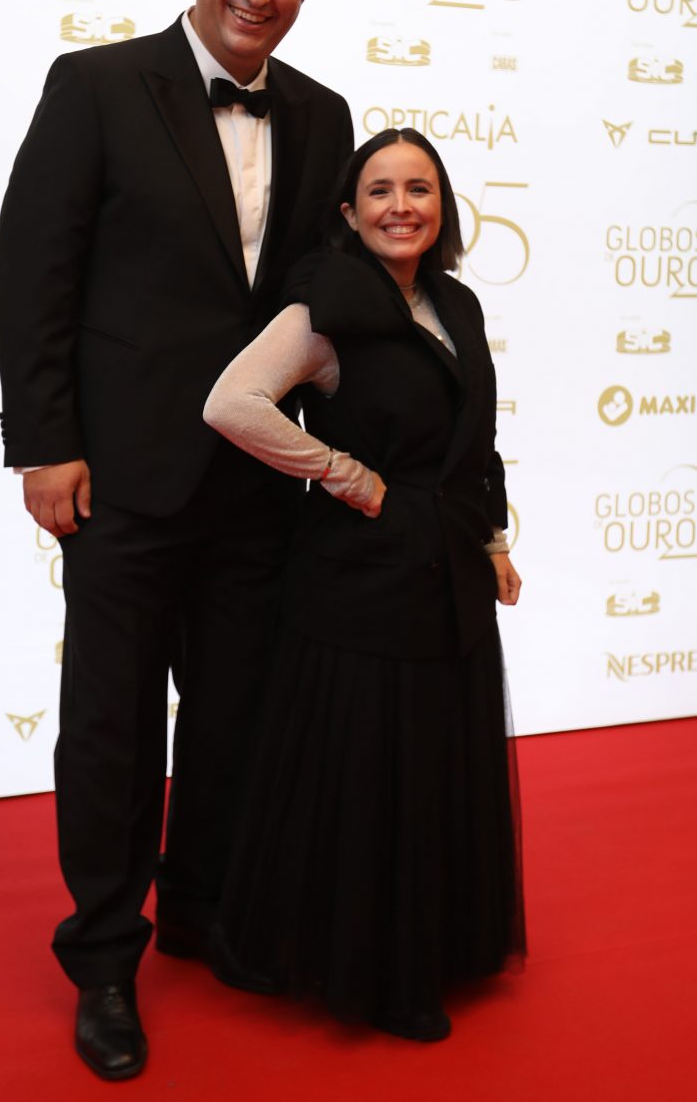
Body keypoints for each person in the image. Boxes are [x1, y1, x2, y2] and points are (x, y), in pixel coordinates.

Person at [0, 0, 353, 1081]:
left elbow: (321, 300)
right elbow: (32, 270)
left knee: (238, 712)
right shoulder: (97, 85)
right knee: (112, 726)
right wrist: (44, 444)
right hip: (121, 477)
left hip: (256, 483)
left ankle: (202, 910)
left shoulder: (323, 115)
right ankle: (103, 961)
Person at [203, 128, 526, 1041]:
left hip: (449, 570)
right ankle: (380, 977)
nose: (400, 206)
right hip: (362, 583)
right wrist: (344, 474)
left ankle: (431, 947)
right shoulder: (327, 302)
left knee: (432, 766)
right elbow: (231, 402)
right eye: (379, 190)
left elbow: (474, 439)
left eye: (419, 188)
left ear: (442, 207)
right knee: (377, 778)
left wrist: (494, 539)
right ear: (349, 212)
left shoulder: (456, 303)